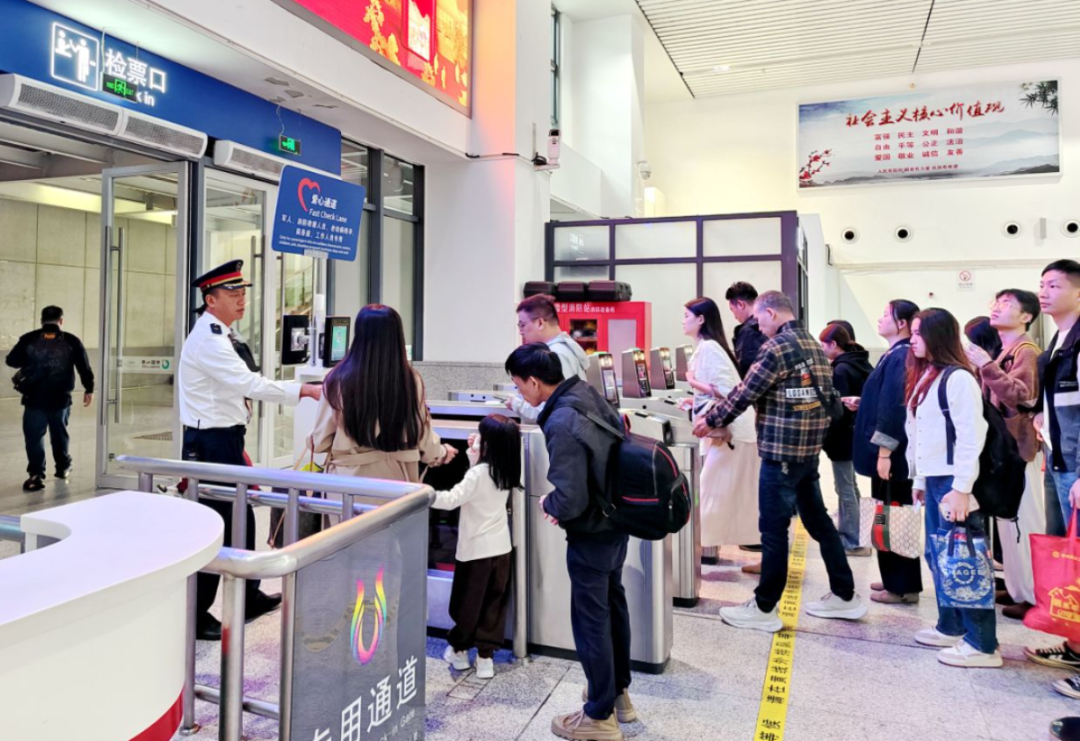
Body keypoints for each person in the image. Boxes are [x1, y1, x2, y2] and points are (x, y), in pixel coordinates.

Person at [694, 290, 865, 632]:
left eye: (759, 318)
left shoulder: (777, 347)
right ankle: (845, 595)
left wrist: (710, 420)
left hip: (781, 451)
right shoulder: (813, 344)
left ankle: (764, 607)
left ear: (771, 313)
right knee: (819, 523)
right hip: (807, 451)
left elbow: (746, 392)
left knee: (772, 529)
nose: (758, 325)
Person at [179, 260, 323, 641]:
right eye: (232, 293)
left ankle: (249, 594)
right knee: (216, 525)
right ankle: (197, 614)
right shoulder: (209, 340)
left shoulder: (223, 334)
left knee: (242, 518)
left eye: (243, 292)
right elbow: (250, 383)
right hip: (209, 443)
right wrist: (304, 390)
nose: (241, 299)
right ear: (211, 299)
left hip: (226, 439)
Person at [506, 343, 635, 741]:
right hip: (615, 521)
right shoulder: (585, 392)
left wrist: (551, 503)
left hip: (591, 532)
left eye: (518, 385)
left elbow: (571, 497)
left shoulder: (561, 420)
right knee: (613, 606)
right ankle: (617, 695)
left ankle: (599, 716)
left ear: (533, 381)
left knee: (590, 620)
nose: (519, 392)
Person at [905, 308, 997, 668]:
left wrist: (961, 488)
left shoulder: (958, 378)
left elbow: (971, 436)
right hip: (935, 478)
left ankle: (982, 644)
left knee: (965, 560)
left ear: (937, 336)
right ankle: (951, 625)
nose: (912, 339)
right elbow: (922, 434)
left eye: (918, 333)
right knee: (939, 555)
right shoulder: (930, 374)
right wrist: (920, 479)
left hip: (954, 481)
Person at [965, 289, 1043, 620]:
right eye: (996, 303)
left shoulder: (1026, 351)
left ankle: (1032, 593)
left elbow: (1024, 397)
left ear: (1026, 316)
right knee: (1008, 522)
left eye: (1007, 304)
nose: (997, 308)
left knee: (1024, 521)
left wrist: (986, 366)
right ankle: (1016, 586)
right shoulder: (1006, 351)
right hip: (1004, 450)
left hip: (1019, 450)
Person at [313, 304, 456, 482]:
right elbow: (421, 435)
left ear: (359, 335)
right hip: (398, 482)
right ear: (397, 336)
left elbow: (320, 441)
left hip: (346, 482)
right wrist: (441, 453)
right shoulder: (410, 380)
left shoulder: (337, 379)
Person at [1024, 260, 1080, 699]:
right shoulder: (1059, 342)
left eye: (1055, 285)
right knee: (1071, 563)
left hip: (1076, 468)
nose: (1044, 292)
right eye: (1042, 285)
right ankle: (1075, 647)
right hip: (1060, 461)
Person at [435, 414, 521, 681]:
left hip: (474, 552)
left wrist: (422, 494)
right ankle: (485, 658)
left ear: (488, 444)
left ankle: (459, 651)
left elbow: (452, 499)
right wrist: (474, 455)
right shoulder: (507, 469)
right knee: (493, 605)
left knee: (466, 604)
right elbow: (482, 489)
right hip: (500, 549)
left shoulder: (477, 474)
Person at [851, 300, 924, 605]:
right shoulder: (893, 354)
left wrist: (884, 452)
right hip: (889, 453)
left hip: (892, 456)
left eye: (886, 315)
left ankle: (902, 586)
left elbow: (894, 407)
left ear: (902, 323)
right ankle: (894, 578)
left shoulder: (900, 356)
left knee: (894, 514)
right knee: (887, 514)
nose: (880, 319)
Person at [681, 298, 760, 566]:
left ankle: (699, 549)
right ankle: (704, 548)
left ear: (701, 319)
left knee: (712, 494)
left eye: (686, 316)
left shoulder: (710, 348)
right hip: (735, 432)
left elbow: (728, 392)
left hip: (733, 433)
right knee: (719, 495)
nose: (683, 321)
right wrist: (693, 399)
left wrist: (693, 382)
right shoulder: (707, 347)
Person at [6, 305, 94, 492]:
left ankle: (36, 475)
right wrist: (89, 388)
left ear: (41, 320)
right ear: (61, 320)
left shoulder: (29, 338)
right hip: (60, 398)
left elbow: (11, 361)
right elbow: (84, 367)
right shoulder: (71, 341)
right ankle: (63, 467)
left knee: (34, 436)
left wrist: (31, 358)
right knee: (59, 433)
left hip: (34, 398)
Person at [819, 322, 873, 557]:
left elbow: (837, 408)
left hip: (842, 436)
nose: (822, 349)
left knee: (844, 487)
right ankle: (855, 533)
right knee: (850, 484)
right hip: (855, 433)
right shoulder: (860, 362)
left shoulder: (841, 370)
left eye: (823, 345)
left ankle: (853, 540)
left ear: (833, 344)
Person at [506, 294, 590, 421]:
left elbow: (549, 410)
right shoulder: (566, 348)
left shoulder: (555, 354)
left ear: (540, 323)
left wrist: (516, 404)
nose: (520, 331)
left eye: (522, 325)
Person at [726, 281, 768, 378]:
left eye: (732, 310)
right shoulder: (768, 324)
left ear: (740, 304)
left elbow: (747, 371)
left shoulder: (748, 331)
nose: (735, 317)